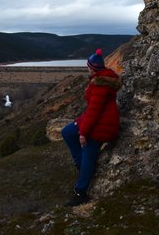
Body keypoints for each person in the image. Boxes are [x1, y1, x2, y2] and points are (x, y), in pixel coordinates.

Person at [61, 48, 121, 206]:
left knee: (88, 148)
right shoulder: (101, 78)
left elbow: (94, 112)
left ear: (92, 67)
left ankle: (81, 192)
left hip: (103, 125)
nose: (87, 69)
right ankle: (81, 165)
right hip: (100, 119)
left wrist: (83, 132)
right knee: (67, 132)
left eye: (88, 66)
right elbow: (93, 110)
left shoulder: (100, 85)